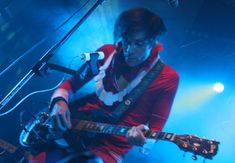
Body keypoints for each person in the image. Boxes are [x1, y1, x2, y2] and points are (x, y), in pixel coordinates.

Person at [29, 7, 179, 163]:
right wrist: (59, 102)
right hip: (72, 128)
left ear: (153, 42)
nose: (129, 50)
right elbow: (70, 85)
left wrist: (144, 138)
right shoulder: (106, 53)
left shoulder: (167, 77)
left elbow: (156, 127)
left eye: (139, 43)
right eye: (127, 40)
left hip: (109, 149)